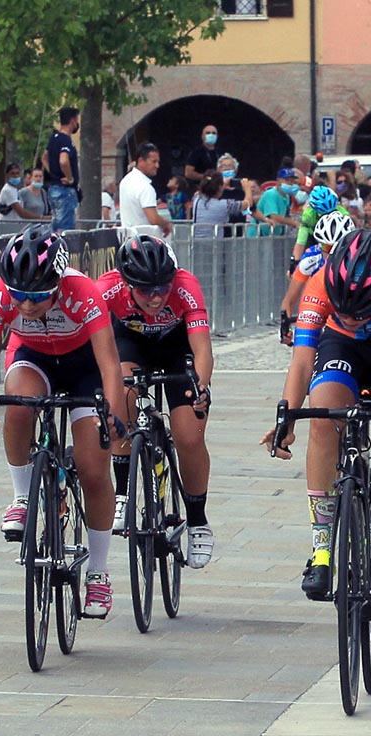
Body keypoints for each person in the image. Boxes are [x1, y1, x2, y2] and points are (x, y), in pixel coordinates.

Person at [262, 229, 371, 638]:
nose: (354, 316)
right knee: (322, 420)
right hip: (344, 349)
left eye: (363, 310)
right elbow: (302, 362)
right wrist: (287, 415)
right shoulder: (321, 280)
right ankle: (322, 549)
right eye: (346, 309)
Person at [0, 225, 124, 618]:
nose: (25, 305)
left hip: (84, 365)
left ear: (56, 284)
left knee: (92, 469)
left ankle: (99, 574)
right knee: (17, 404)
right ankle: (22, 497)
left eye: (35, 297)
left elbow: (109, 364)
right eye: (18, 295)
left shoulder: (83, 292)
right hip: (34, 359)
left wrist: (113, 415)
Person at [98, 234, 215, 568]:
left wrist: (201, 385)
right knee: (120, 396)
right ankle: (123, 493)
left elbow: (202, 349)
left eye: (162, 288)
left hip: (177, 349)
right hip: (131, 345)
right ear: (126, 282)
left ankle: (197, 520)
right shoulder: (107, 287)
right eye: (145, 290)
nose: (155, 297)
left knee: (189, 437)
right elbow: (93, 342)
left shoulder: (185, 286)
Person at [278, 210, 355, 342]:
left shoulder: (358, 260)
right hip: (318, 307)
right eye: (327, 247)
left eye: (337, 247)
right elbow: (289, 301)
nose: (332, 253)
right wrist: (286, 328)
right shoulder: (311, 258)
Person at [118, 143, 172, 236]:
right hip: (144, 241)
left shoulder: (125, 181)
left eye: (158, 162)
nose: (157, 165)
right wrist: (166, 224)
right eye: (153, 161)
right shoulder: (145, 187)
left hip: (128, 239)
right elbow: (153, 218)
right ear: (141, 161)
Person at [45, 107, 81, 232]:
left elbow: (44, 157)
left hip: (53, 187)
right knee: (65, 228)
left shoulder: (53, 138)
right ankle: (62, 251)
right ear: (72, 120)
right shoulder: (66, 140)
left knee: (55, 225)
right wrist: (70, 178)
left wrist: (53, 172)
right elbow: (64, 160)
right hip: (64, 190)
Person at [289, 185, 345, 264]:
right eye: (322, 214)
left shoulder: (343, 214)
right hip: (314, 239)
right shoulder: (308, 216)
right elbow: (301, 242)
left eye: (330, 212)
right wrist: (294, 263)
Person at [191, 172, 256, 239]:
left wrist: (221, 185)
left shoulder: (197, 199)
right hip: (215, 244)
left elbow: (200, 192)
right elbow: (248, 203)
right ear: (219, 188)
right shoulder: (225, 205)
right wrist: (247, 188)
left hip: (197, 243)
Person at [255, 167, 302, 236]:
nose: (290, 183)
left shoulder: (286, 196)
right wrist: (293, 222)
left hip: (274, 235)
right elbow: (274, 216)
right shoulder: (271, 194)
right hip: (258, 235)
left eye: (292, 181)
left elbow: (285, 215)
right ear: (278, 180)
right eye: (287, 180)